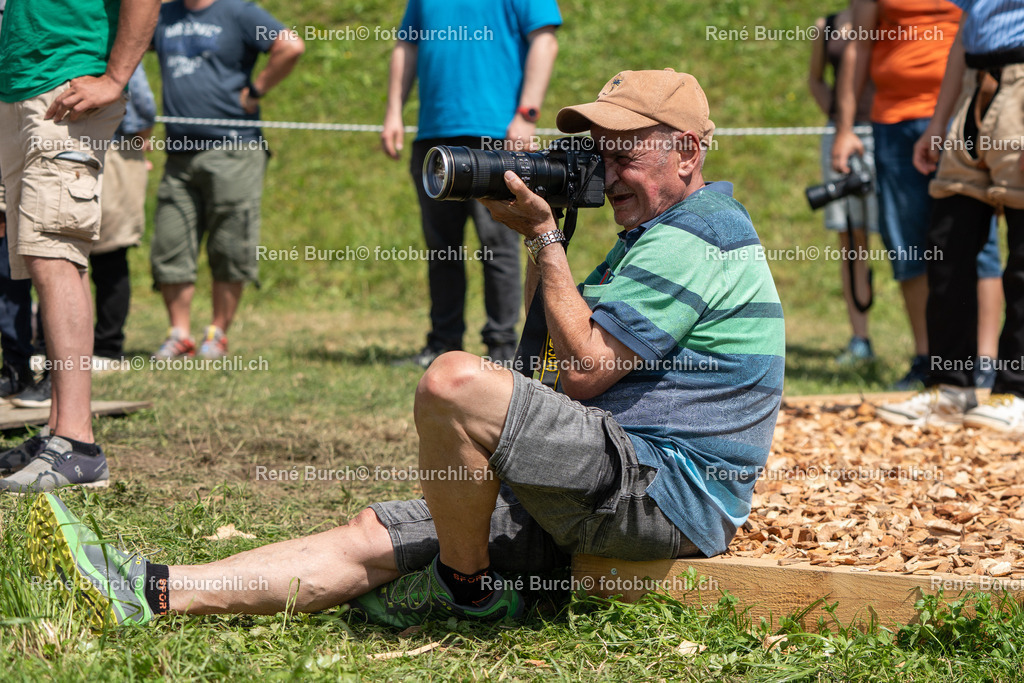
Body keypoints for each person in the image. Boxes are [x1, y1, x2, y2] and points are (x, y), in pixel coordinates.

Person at [28, 69, 785, 629]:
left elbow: (584, 372)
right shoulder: (651, 237)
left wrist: (545, 237)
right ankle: (149, 588)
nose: (606, 169)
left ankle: (467, 590)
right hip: (613, 476)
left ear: (688, 152)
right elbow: (559, 361)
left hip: (663, 491)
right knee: (373, 534)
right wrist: (545, 236)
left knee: (453, 381)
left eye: (625, 151)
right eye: (599, 149)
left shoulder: (701, 231)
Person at [0, 0, 161, 493]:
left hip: (66, 87)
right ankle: (57, 432)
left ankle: (77, 444)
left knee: (53, 252)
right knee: (44, 254)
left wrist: (115, 78)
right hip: (21, 89)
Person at [831, 0, 1003, 390]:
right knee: (908, 242)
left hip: (965, 117)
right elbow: (859, 43)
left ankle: (986, 362)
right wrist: (845, 128)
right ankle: (928, 359)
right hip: (894, 121)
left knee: (980, 241)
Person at [382, 0, 561, 367]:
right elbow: (407, 45)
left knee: (498, 244)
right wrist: (393, 112)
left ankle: (502, 348)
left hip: (495, 135)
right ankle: (442, 343)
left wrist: (527, 114)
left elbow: (545, 39)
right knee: (441, 248)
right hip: (433, 135)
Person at [876, 0, 1024, 432]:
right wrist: (939, 122)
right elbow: (966, 31)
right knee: (947, 244)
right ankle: (950, 387)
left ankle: (1016, 391)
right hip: (974, 88)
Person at [150, 0, 304, 361]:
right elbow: (121, 43)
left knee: (230, 245)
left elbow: (291, 45)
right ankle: (179, 335)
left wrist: (257, 90)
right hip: (179, 153)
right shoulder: (163, 14)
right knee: (170, 242)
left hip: (233, 151)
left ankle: (217, 334)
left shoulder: (239, 12)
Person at [808, 4, 879, 364]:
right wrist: (840, 121)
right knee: (852, 239)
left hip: (888, 133)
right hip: (842, 139)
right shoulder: (826, 25)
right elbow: (815, 79)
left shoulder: (891, 18)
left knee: (906, 237)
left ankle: (927, 348)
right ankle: (860, 338)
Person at [91, 64, 157, 366]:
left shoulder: (112, 44)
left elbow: (142, 105)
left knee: (106, 254)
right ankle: (99, 347)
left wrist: (136, 146)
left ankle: (107, 347)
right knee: (101, 257)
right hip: (106, 148)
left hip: (112, 149)